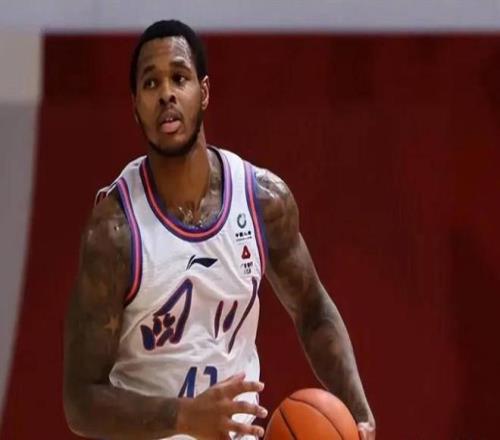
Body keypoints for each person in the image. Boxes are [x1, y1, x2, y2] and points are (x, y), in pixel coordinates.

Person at [63, 20, 376, 440]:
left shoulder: (262, 200)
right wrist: (183, 417)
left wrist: (357, 412)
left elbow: (313, 311)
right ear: (135, 106)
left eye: (179, 78)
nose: (166, 93)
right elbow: (81, 402)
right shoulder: (114, 232)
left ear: (204, 92)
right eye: (151, 83)